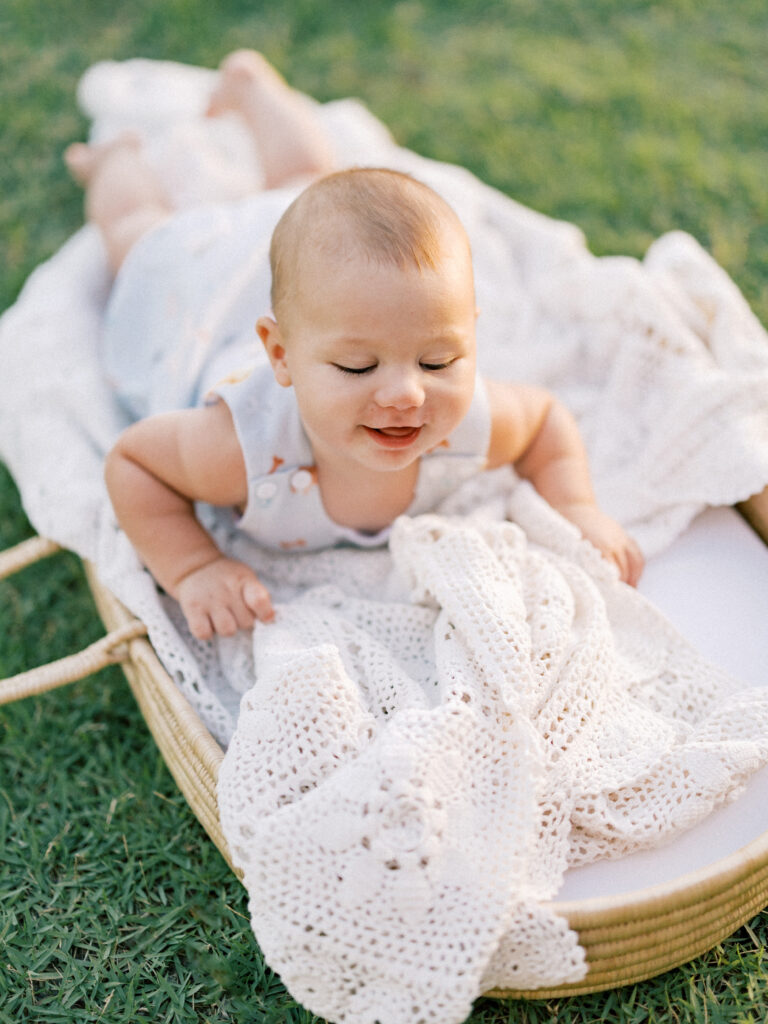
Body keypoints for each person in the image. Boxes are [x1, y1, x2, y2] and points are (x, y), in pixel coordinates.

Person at [66, 51, 644, 642]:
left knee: (310, 183)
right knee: (139, 235)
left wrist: (576, 508)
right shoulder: (241, 448)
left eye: (438, 360)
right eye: (357, 366)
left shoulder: (469, 422)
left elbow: (547, 420)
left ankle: (251, 88)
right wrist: (194, 568)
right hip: (208, 301)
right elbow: (134, 464)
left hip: (325, 294)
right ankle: (117, 159)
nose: (404, 393)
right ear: (281, 356)